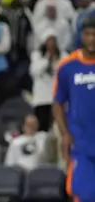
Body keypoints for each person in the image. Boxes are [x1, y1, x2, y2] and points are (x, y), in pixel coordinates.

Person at [53, 15, 95, 202]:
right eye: (87, 34)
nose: (92, 39)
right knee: (82, 195)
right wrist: (64, 134)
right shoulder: (67, 66)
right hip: (81, 143)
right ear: (80, 35)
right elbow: (57, 102)